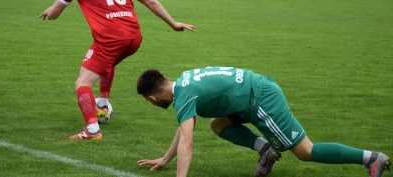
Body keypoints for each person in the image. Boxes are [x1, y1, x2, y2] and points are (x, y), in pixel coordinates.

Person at [38, 0, 195, 140]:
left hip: (110, 40)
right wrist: (172, 23)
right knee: (107, 63)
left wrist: (48, 11)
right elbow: (150, 1)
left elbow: (54, 14)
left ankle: (92, 129)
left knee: (82, 82)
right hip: (134, 39)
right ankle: (102, 105)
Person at [136, 66, 391, 177]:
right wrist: (166, 158)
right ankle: (265, 150)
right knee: (217, 124)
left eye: (150, 102)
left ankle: (371, 158)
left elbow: (188, 143)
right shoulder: (184, 81)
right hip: (250, 95)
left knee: (305, 152)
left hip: (260, 101)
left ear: (151, 97)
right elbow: (184, 130)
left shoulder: (182, 97)